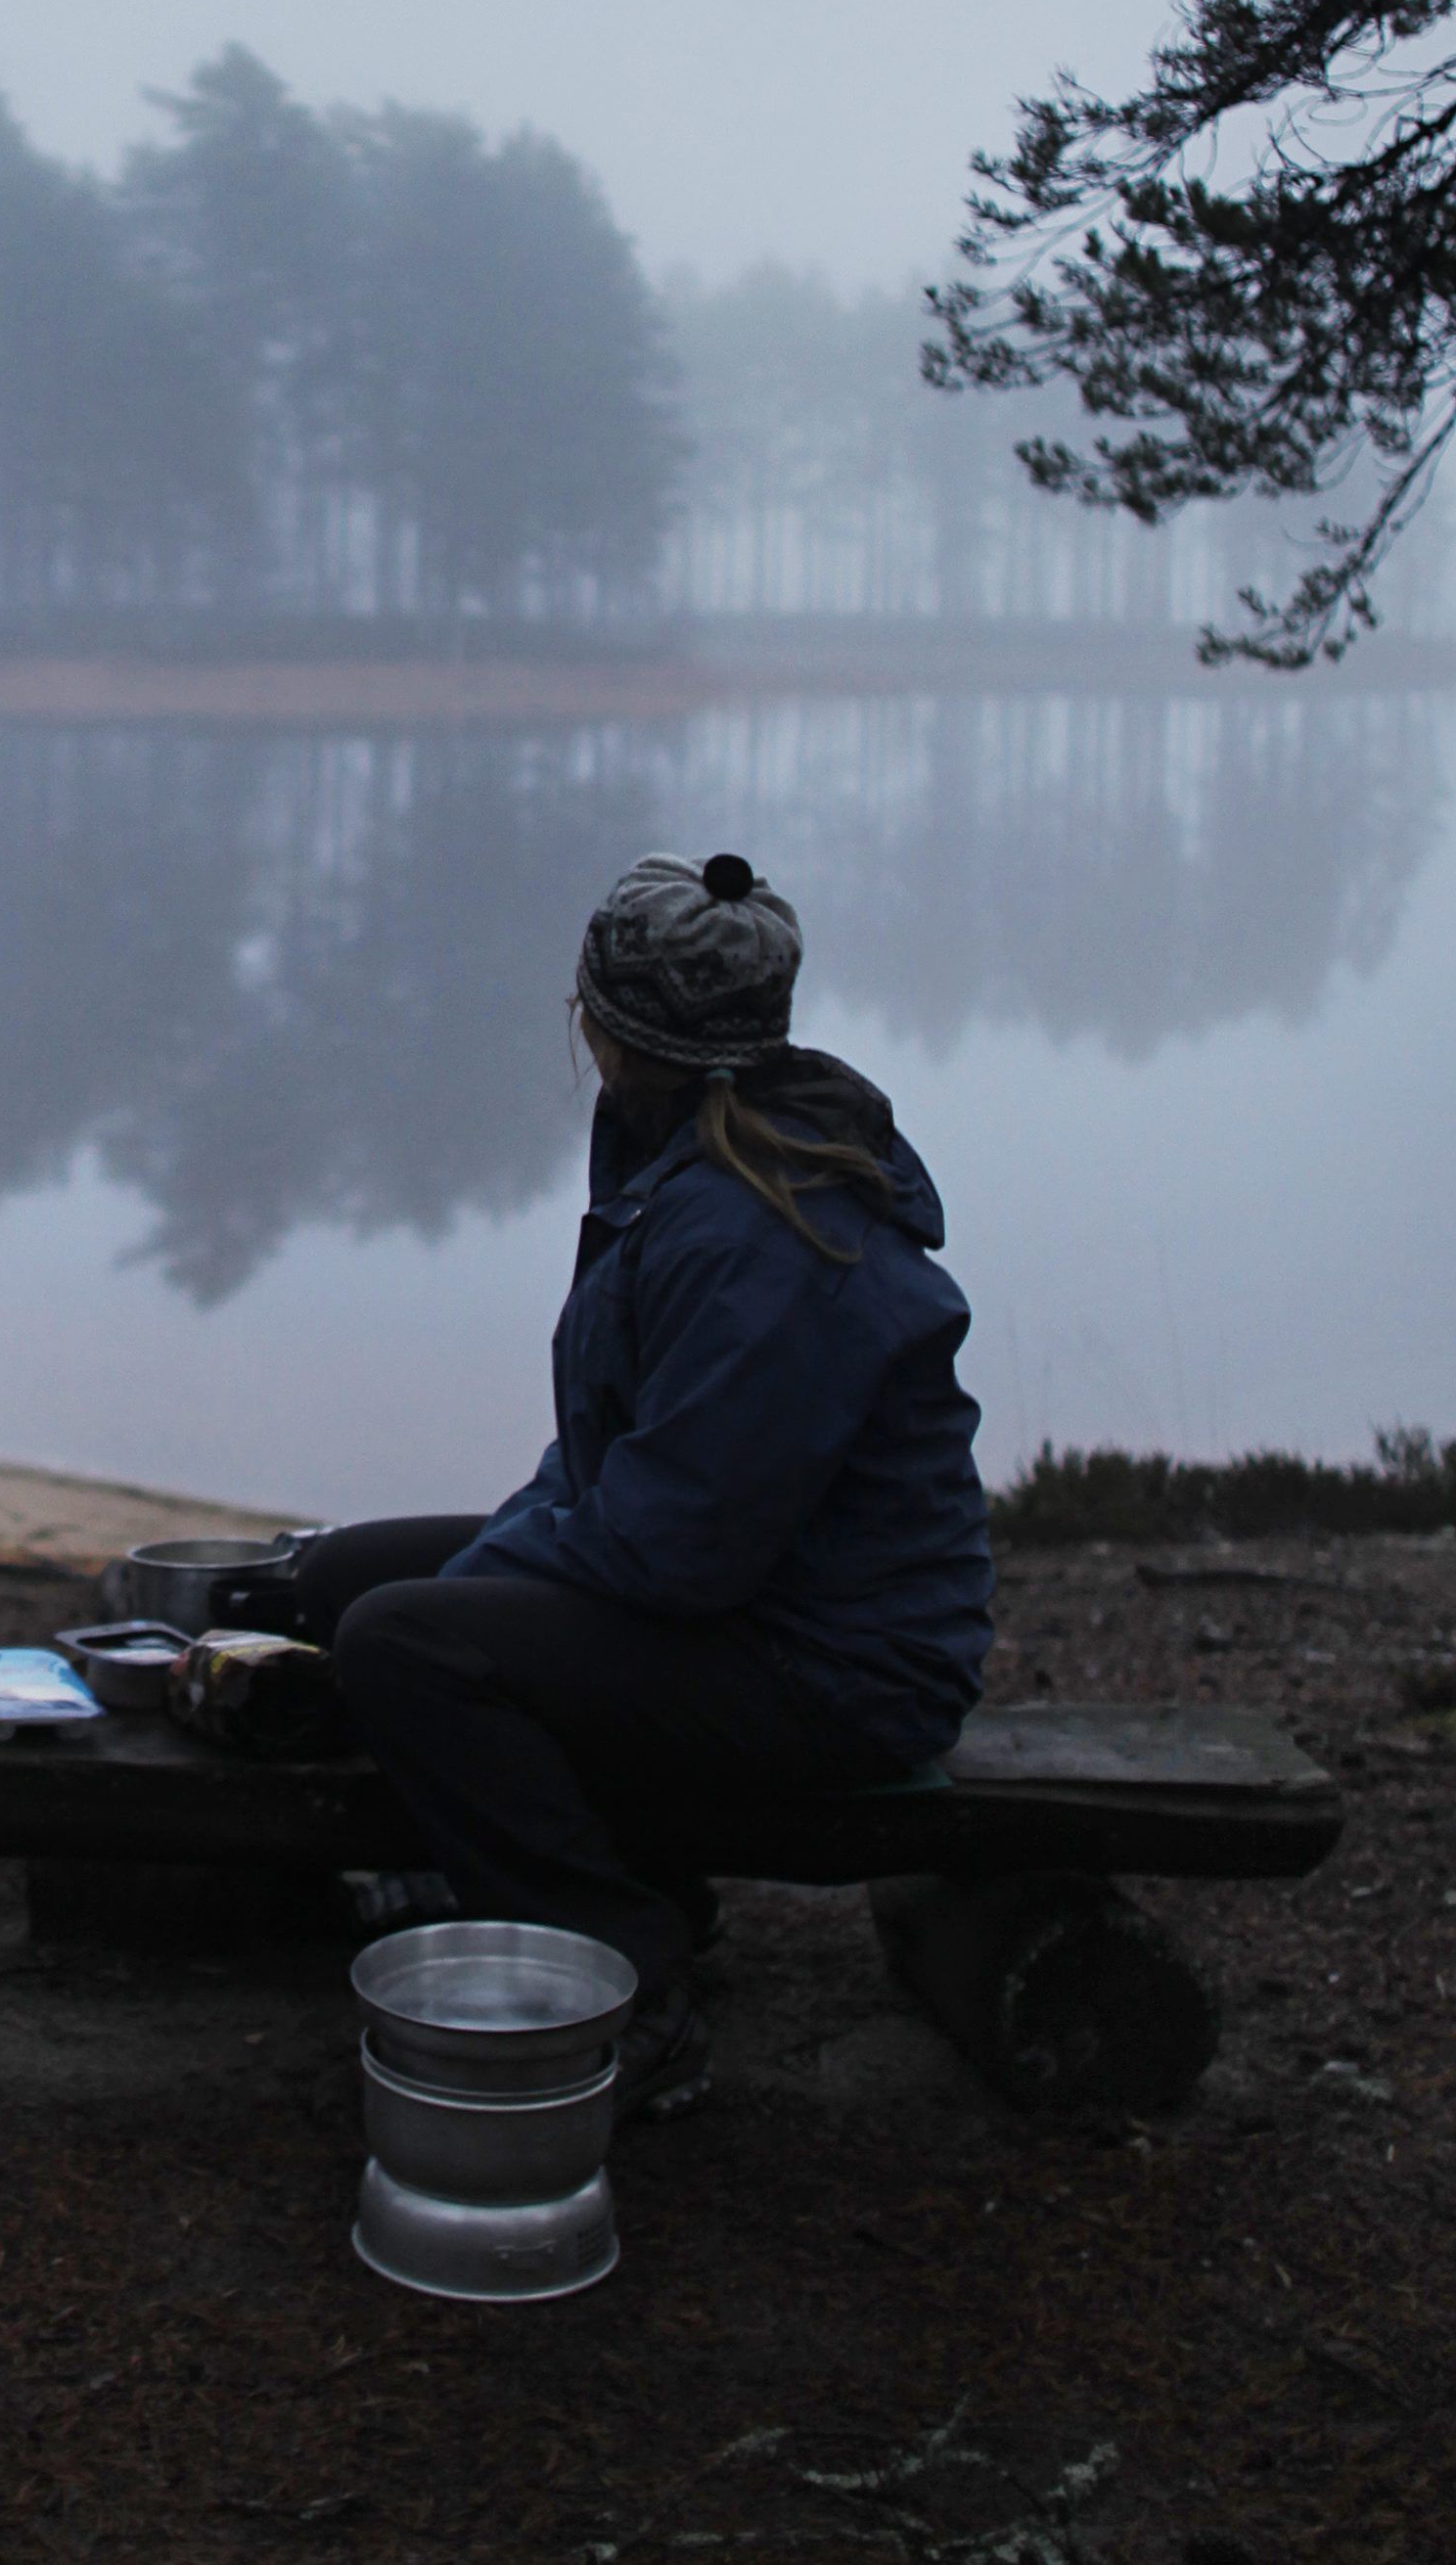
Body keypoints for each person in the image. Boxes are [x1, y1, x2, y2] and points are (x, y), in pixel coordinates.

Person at [296, 848, 992, 2114]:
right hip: (742, 1596)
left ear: (605, 1026)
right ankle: (525, 1867)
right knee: (346, 1576)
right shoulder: (679, 1149)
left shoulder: (759, 1227)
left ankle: (633, 1976)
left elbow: (677, 1548)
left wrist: (477, 1590)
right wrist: (493, 1561)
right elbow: (614, 1456)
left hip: (837, 1664)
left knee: (406, 1643)